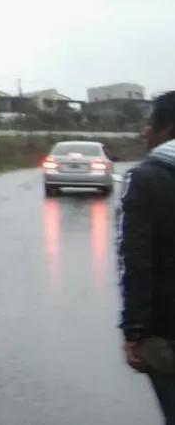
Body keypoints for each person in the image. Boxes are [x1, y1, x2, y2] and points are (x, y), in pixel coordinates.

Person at [116, 90, 175, 422]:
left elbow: (135, 259)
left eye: (150, 124)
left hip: (167, 331)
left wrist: (135, 330)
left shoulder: (145, 179)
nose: (145, 131)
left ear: (166, 129)